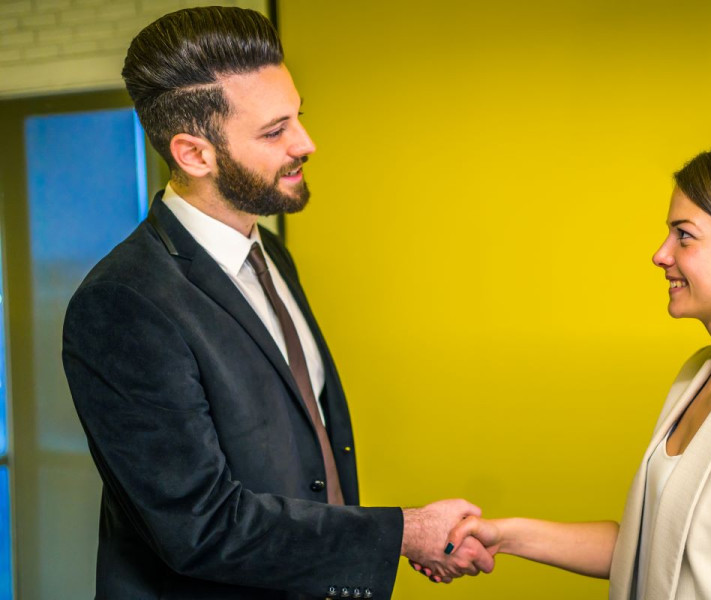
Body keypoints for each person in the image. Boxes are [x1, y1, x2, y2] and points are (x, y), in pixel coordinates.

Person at [61, 7, 492, 599]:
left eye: (299, 118)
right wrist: (400, 533)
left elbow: (307, 458)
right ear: (193, 155)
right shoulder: (122, 303)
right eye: (274, 131)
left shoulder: (271, 256)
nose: (306, 143)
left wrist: (379, 544)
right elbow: (201, 526)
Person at [435, 138, 711, 598]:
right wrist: (506, 536)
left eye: (684, 235)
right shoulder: (700, 376)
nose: (661, 254)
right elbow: (652, 551)